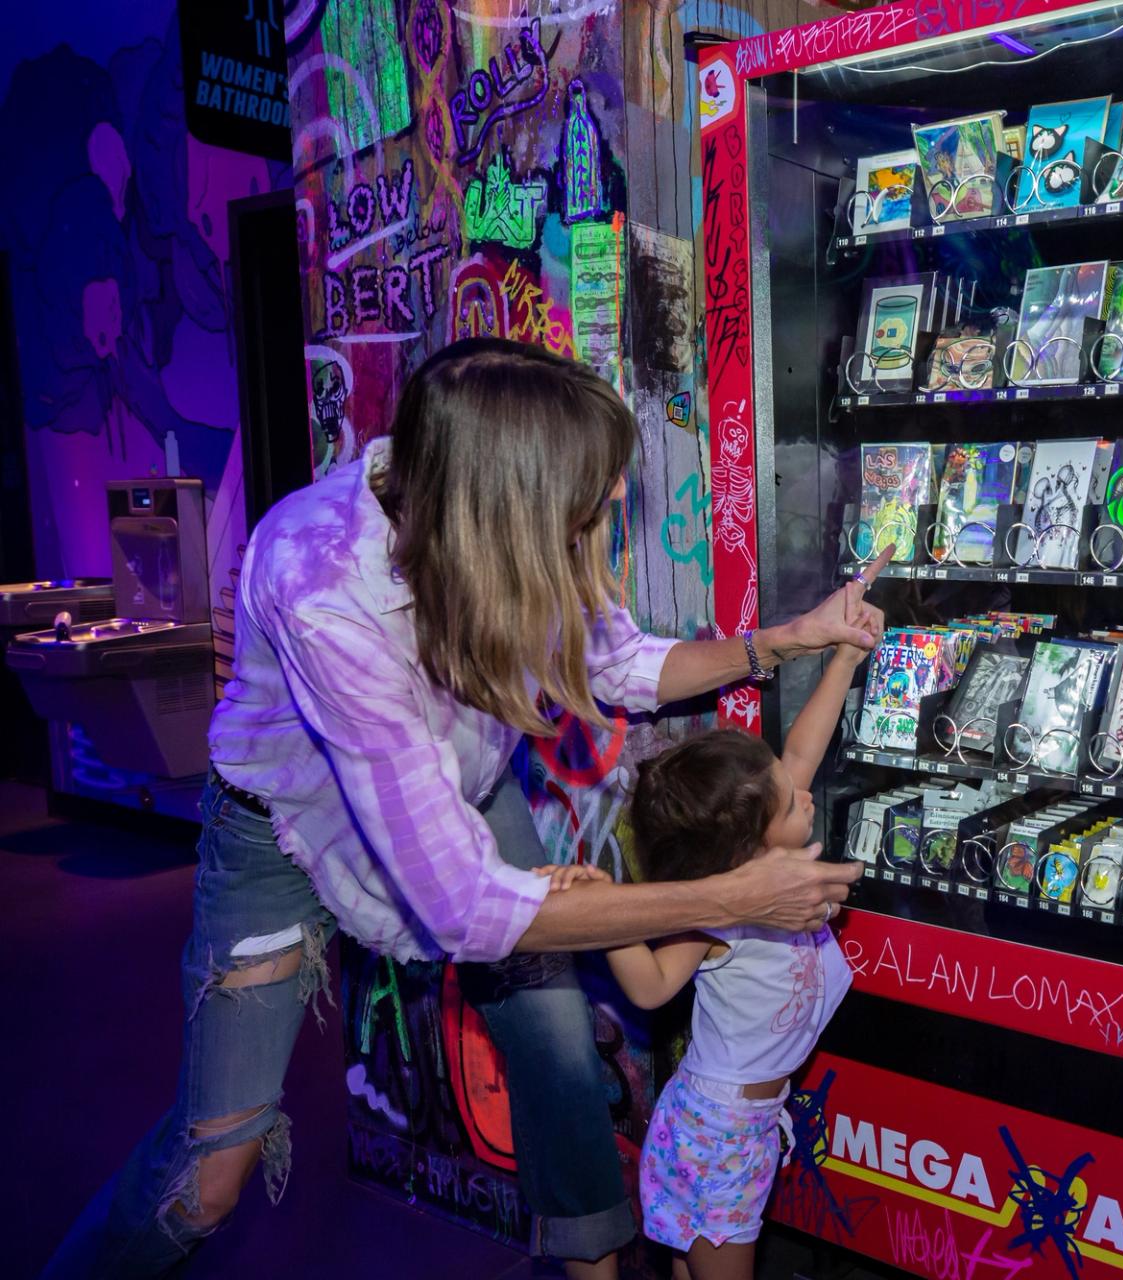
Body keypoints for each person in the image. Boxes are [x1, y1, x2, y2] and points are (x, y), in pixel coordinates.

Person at [43, 338, 880, 1279]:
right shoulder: (324, 583)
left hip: (465, 793)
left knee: (558, 1043)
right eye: (595, 504)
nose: (607, 517)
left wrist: (782, 642)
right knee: (211, 1178)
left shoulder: (503, 518)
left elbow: (621, 665)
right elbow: (468, 909)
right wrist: (730, 899)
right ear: (512, 500)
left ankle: (591, 1261)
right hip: (282, 831)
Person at [552, 613, 876, 1280]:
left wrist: (846, 656)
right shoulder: (719, 915)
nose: (805, 798)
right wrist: (601, 904)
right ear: (748, 845)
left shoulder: (772, 860)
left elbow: (801, 757)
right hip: (716, 1135)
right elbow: (648, 987)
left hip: (741, 1126)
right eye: (790, 805)